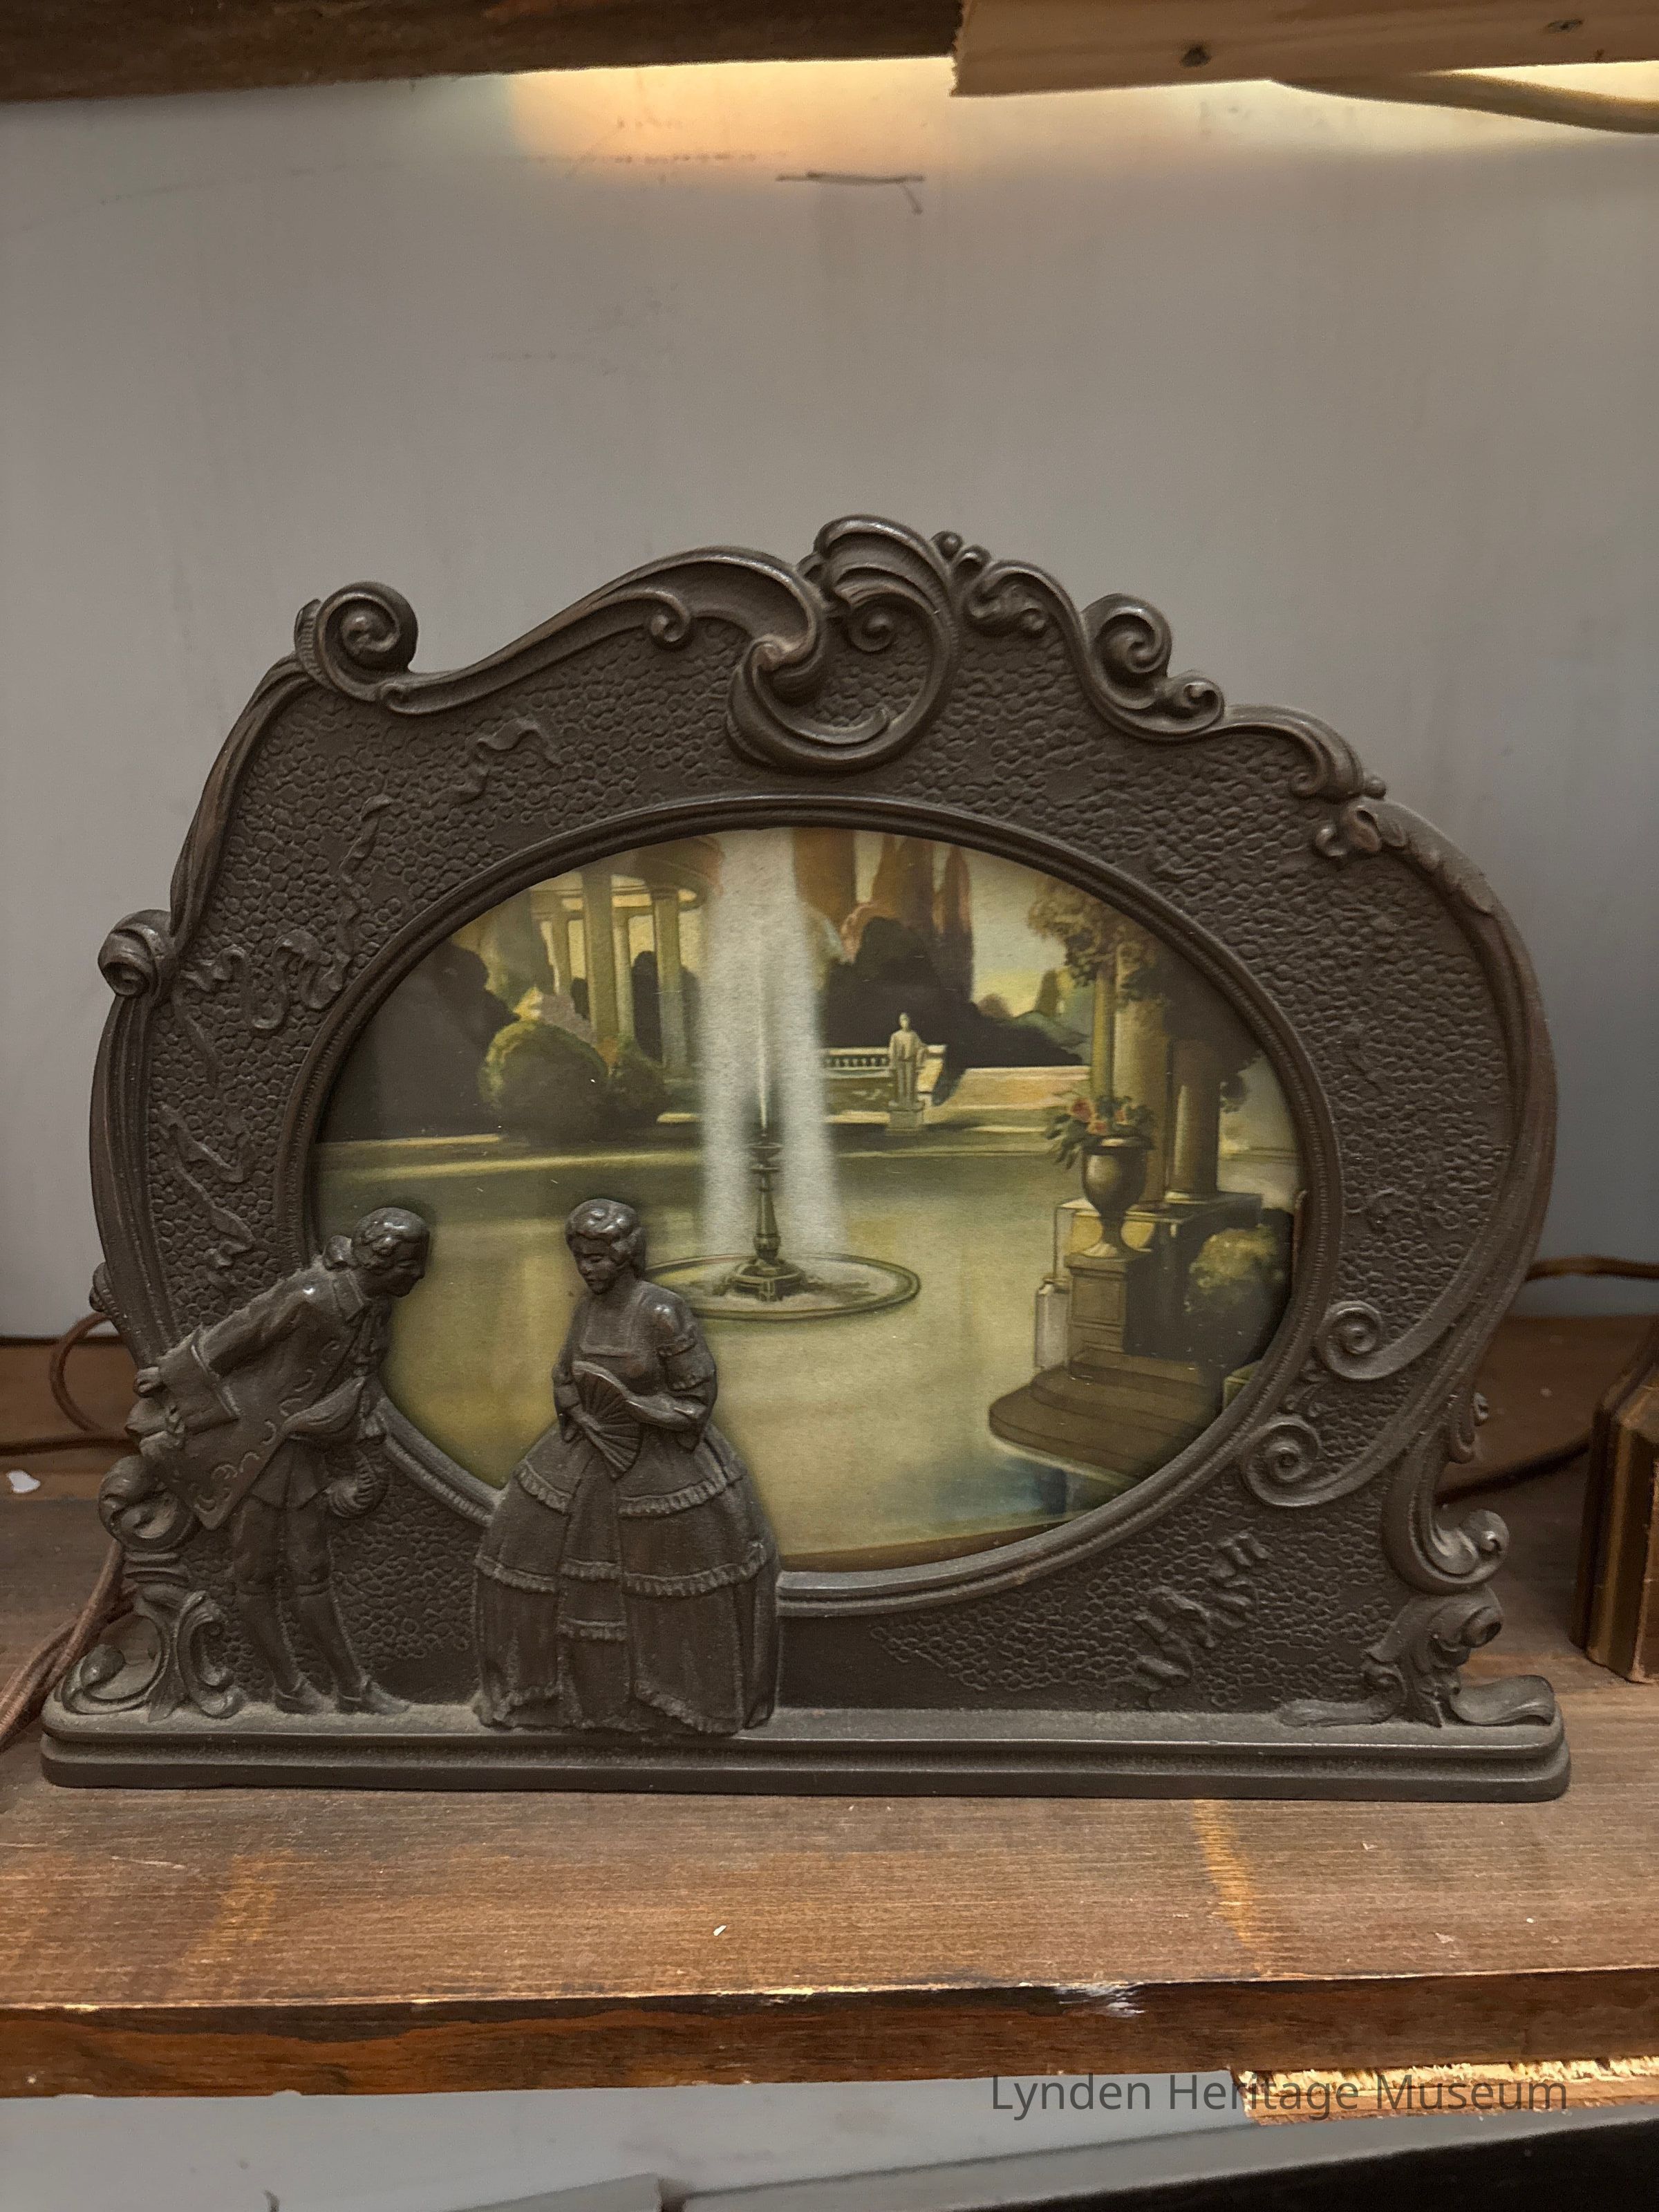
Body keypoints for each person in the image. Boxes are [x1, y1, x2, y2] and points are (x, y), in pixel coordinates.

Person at [476, 1198, 778, 1735]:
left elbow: (696, 1400)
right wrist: (577, 1409)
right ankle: (572, 1699)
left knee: (672, 1581)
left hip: (661, 1461)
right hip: (584, 1453)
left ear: (626, 1254)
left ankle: (670, 1703)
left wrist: (637, 1409)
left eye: (597, 1258)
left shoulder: (662, 1312)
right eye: (580, 1257)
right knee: (521, 1548)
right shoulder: (587, 1310)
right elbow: (564, 1373)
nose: (587, 1268)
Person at [132, 1206, 430, 1714]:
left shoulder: (376, 1309)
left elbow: (358, 1373)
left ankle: (352, 1686)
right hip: (252, 1450)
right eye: (409, 1263)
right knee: (254, 1572)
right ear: (378, 1260)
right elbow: (243, 1330)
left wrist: (359, 1412)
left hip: (300, 1450)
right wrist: (169, 1376)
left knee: (311, 1571)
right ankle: (288, 1686)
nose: (418, 1274)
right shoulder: (312, 1297)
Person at [888, 1010, 926, 1107]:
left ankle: (910, 1102)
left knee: (910, 1082)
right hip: (899, 1062)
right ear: (900, 1022)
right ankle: (901, 1102)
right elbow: (892, 1050)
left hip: (910, 1062)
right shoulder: (896, 1036)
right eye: (902, 1020)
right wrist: (893, 1063)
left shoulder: (913, 1035)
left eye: (906, 1020)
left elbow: (921, 1047)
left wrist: (919, 1058)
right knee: (901, 1082)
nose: (905, 1022)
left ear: (909, 1021)